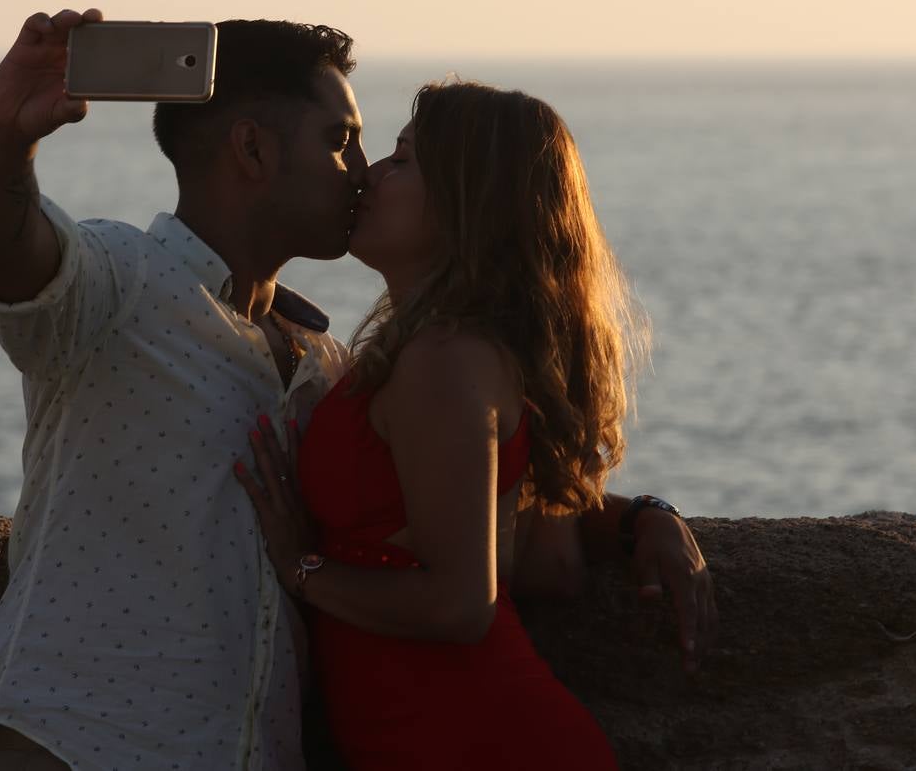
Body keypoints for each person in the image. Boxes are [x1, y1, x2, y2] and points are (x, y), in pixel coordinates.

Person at [0, 7, 713, 771]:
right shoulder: (118, 284)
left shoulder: (329, 366)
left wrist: (636, 520)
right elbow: (5, 243)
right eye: (341, 141)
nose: (362, 170)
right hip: (74, 743)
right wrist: (5, 134)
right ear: (251, 149)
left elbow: (468, 492)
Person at [235, 81, 713, 770]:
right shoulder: (448, 350)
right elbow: (545, 551)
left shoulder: (443, 359)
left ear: (467, 203)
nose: (369, 174)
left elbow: (462, 605)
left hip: (470, 739)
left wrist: (301, 568)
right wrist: (640, 518)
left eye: (402, 161)